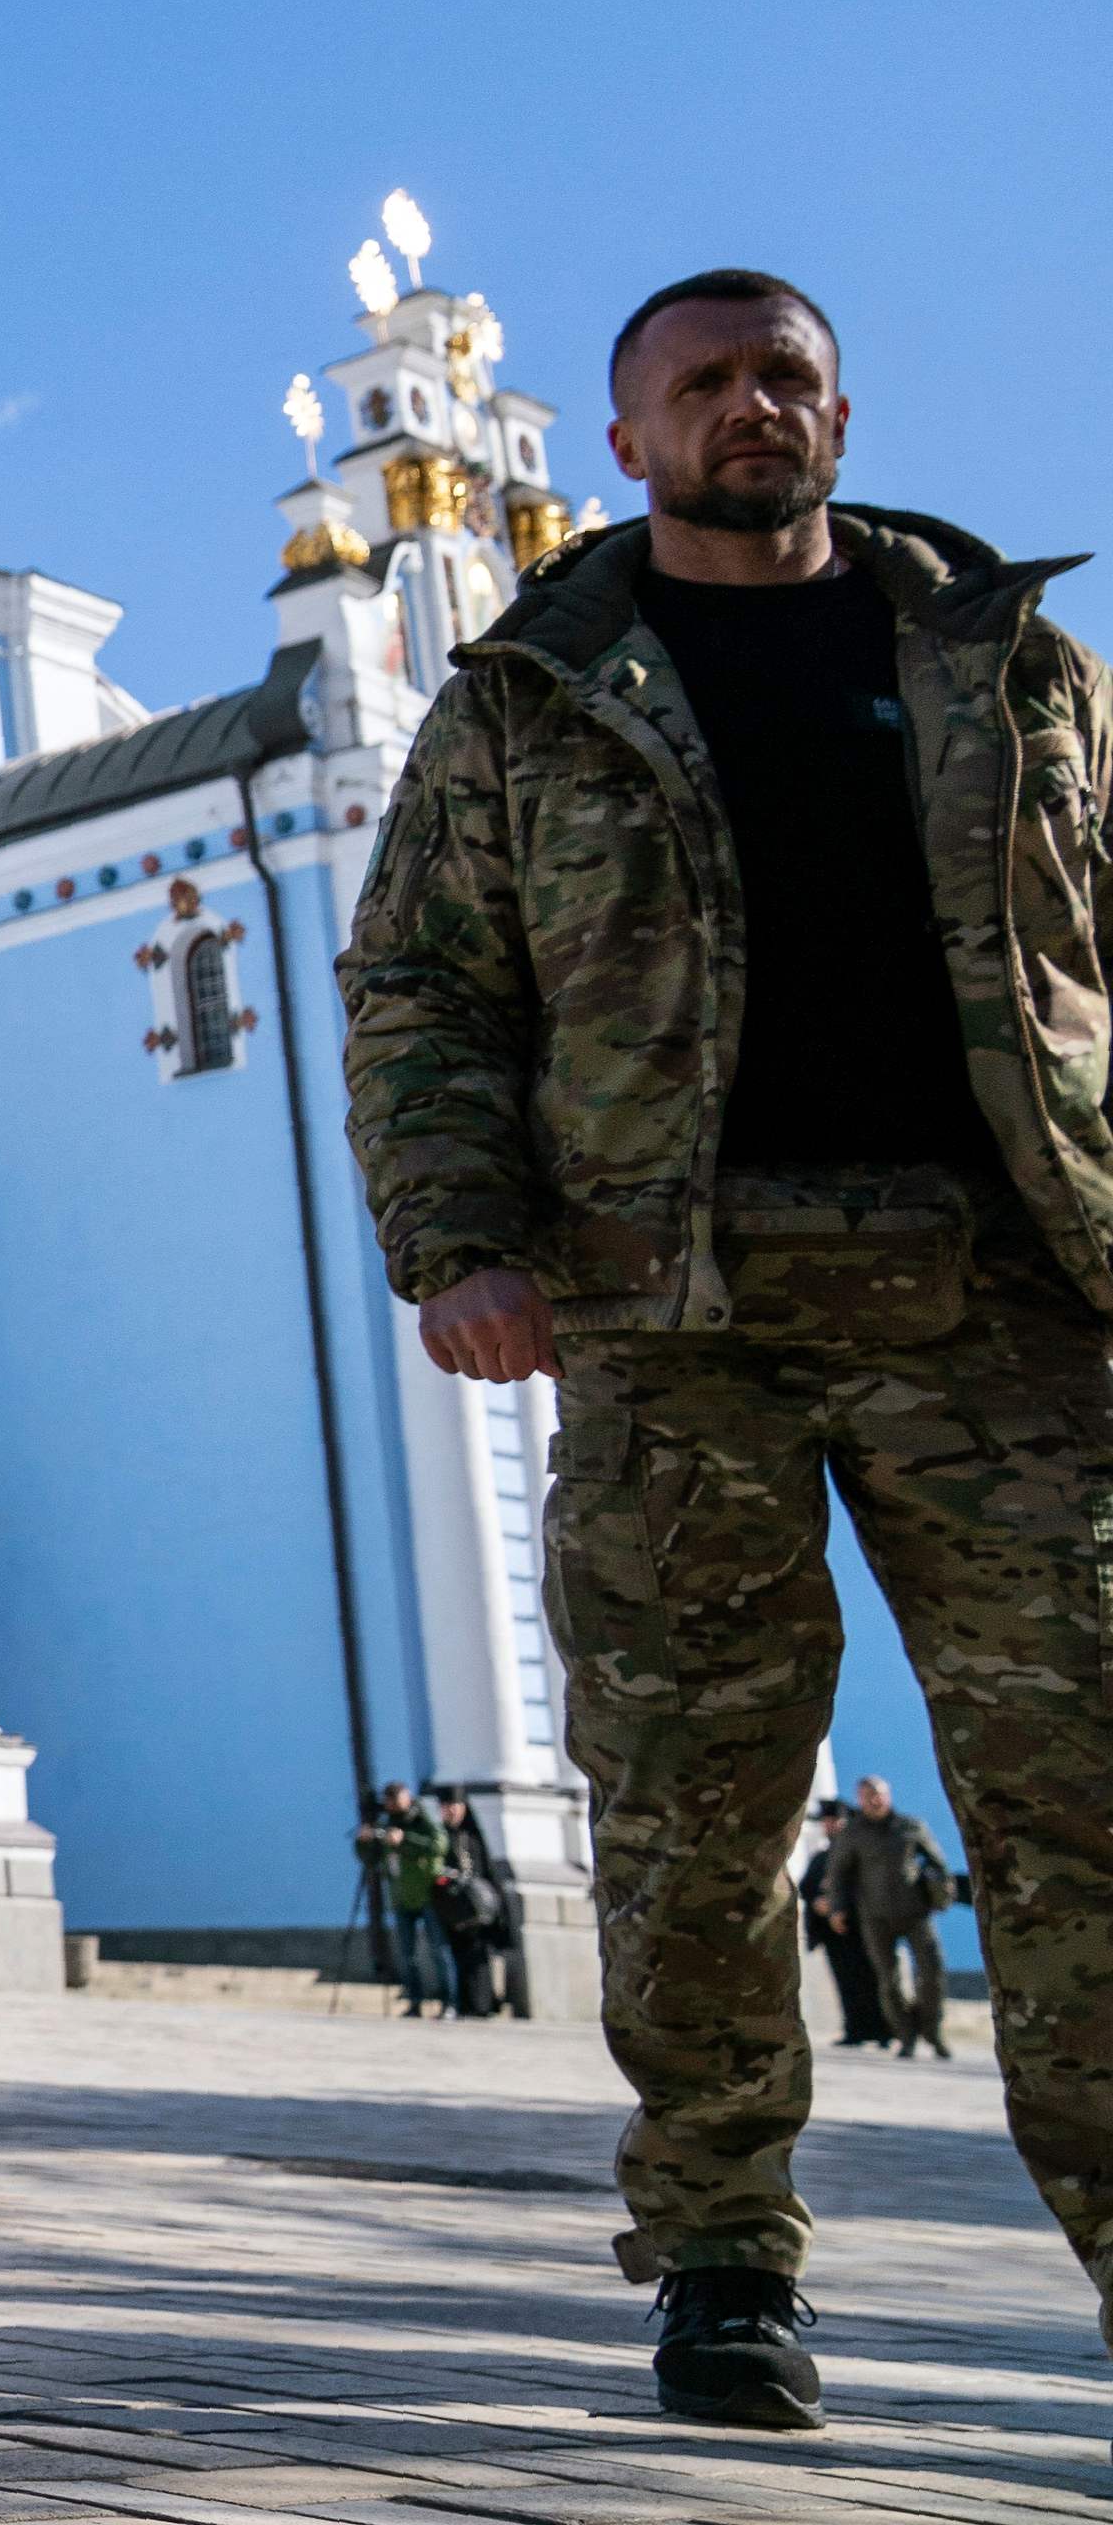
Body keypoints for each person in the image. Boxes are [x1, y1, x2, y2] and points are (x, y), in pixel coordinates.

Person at [343, 268, 1113, 2435]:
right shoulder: (527, 701)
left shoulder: (1016, 667)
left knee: (1086, 1806)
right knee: (692, 1823)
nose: (748, 408)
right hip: (680, 1326)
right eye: (704, 384)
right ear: (630, 442)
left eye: (783, 375)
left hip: (1007, 1312)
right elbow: (418, 993)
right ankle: (719, 2256)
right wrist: (460, 1243)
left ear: (843, 410)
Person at [831, 1775, 957, 2062]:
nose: (874, 1800)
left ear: (888, 1796)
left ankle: (932, 2030)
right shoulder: (852, 1833)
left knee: (932, 1973)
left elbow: (938, 1863)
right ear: (860, 1799)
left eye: (878, 1794)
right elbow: (838, 1874)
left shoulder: (911, 1826)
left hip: (915, 1913)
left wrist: (942, 1893)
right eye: (867, 1795)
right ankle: (906, 2035)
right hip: (875, 1916)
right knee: (889, 1980)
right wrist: (838, 1909)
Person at [798, 1802, 889, 2049]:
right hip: (831, 1932)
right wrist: (818, 1902)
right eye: (827, 1821)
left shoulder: (859, 1853)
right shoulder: (820, 1857)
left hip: (859, 1927)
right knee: (845, 1981)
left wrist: (839, 1906)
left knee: (871, 1979)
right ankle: (855, 2029)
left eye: (835, 1820)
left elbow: (867, 1886)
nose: (830, 1825)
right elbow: (806, 1887)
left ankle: (883, 2030)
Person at [354, 1783, 447, 2014]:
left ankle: (449, 2003)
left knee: (439, 1950)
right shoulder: (386, 1822)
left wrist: (405, 1839)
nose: (393, 1806)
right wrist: (363, 1842)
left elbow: (439, 1846)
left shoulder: (422, 1817)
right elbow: (372, 1860)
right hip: (400, 1896)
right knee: (408, 1954)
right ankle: (415, 2003)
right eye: (390, 1801)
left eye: (397, 1800)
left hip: (428, 1894)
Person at [432, 1791, 519, 2019]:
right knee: (456, 1954)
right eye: (446, 1806)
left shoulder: (472, 1836)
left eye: (455, 1805)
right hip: (451, 1907)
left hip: (478, 1906)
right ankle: (462, 2003)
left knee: (479, 1955)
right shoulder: (440, 1836)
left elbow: (486, 1871)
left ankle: (484, 2004)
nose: (451, 1811)